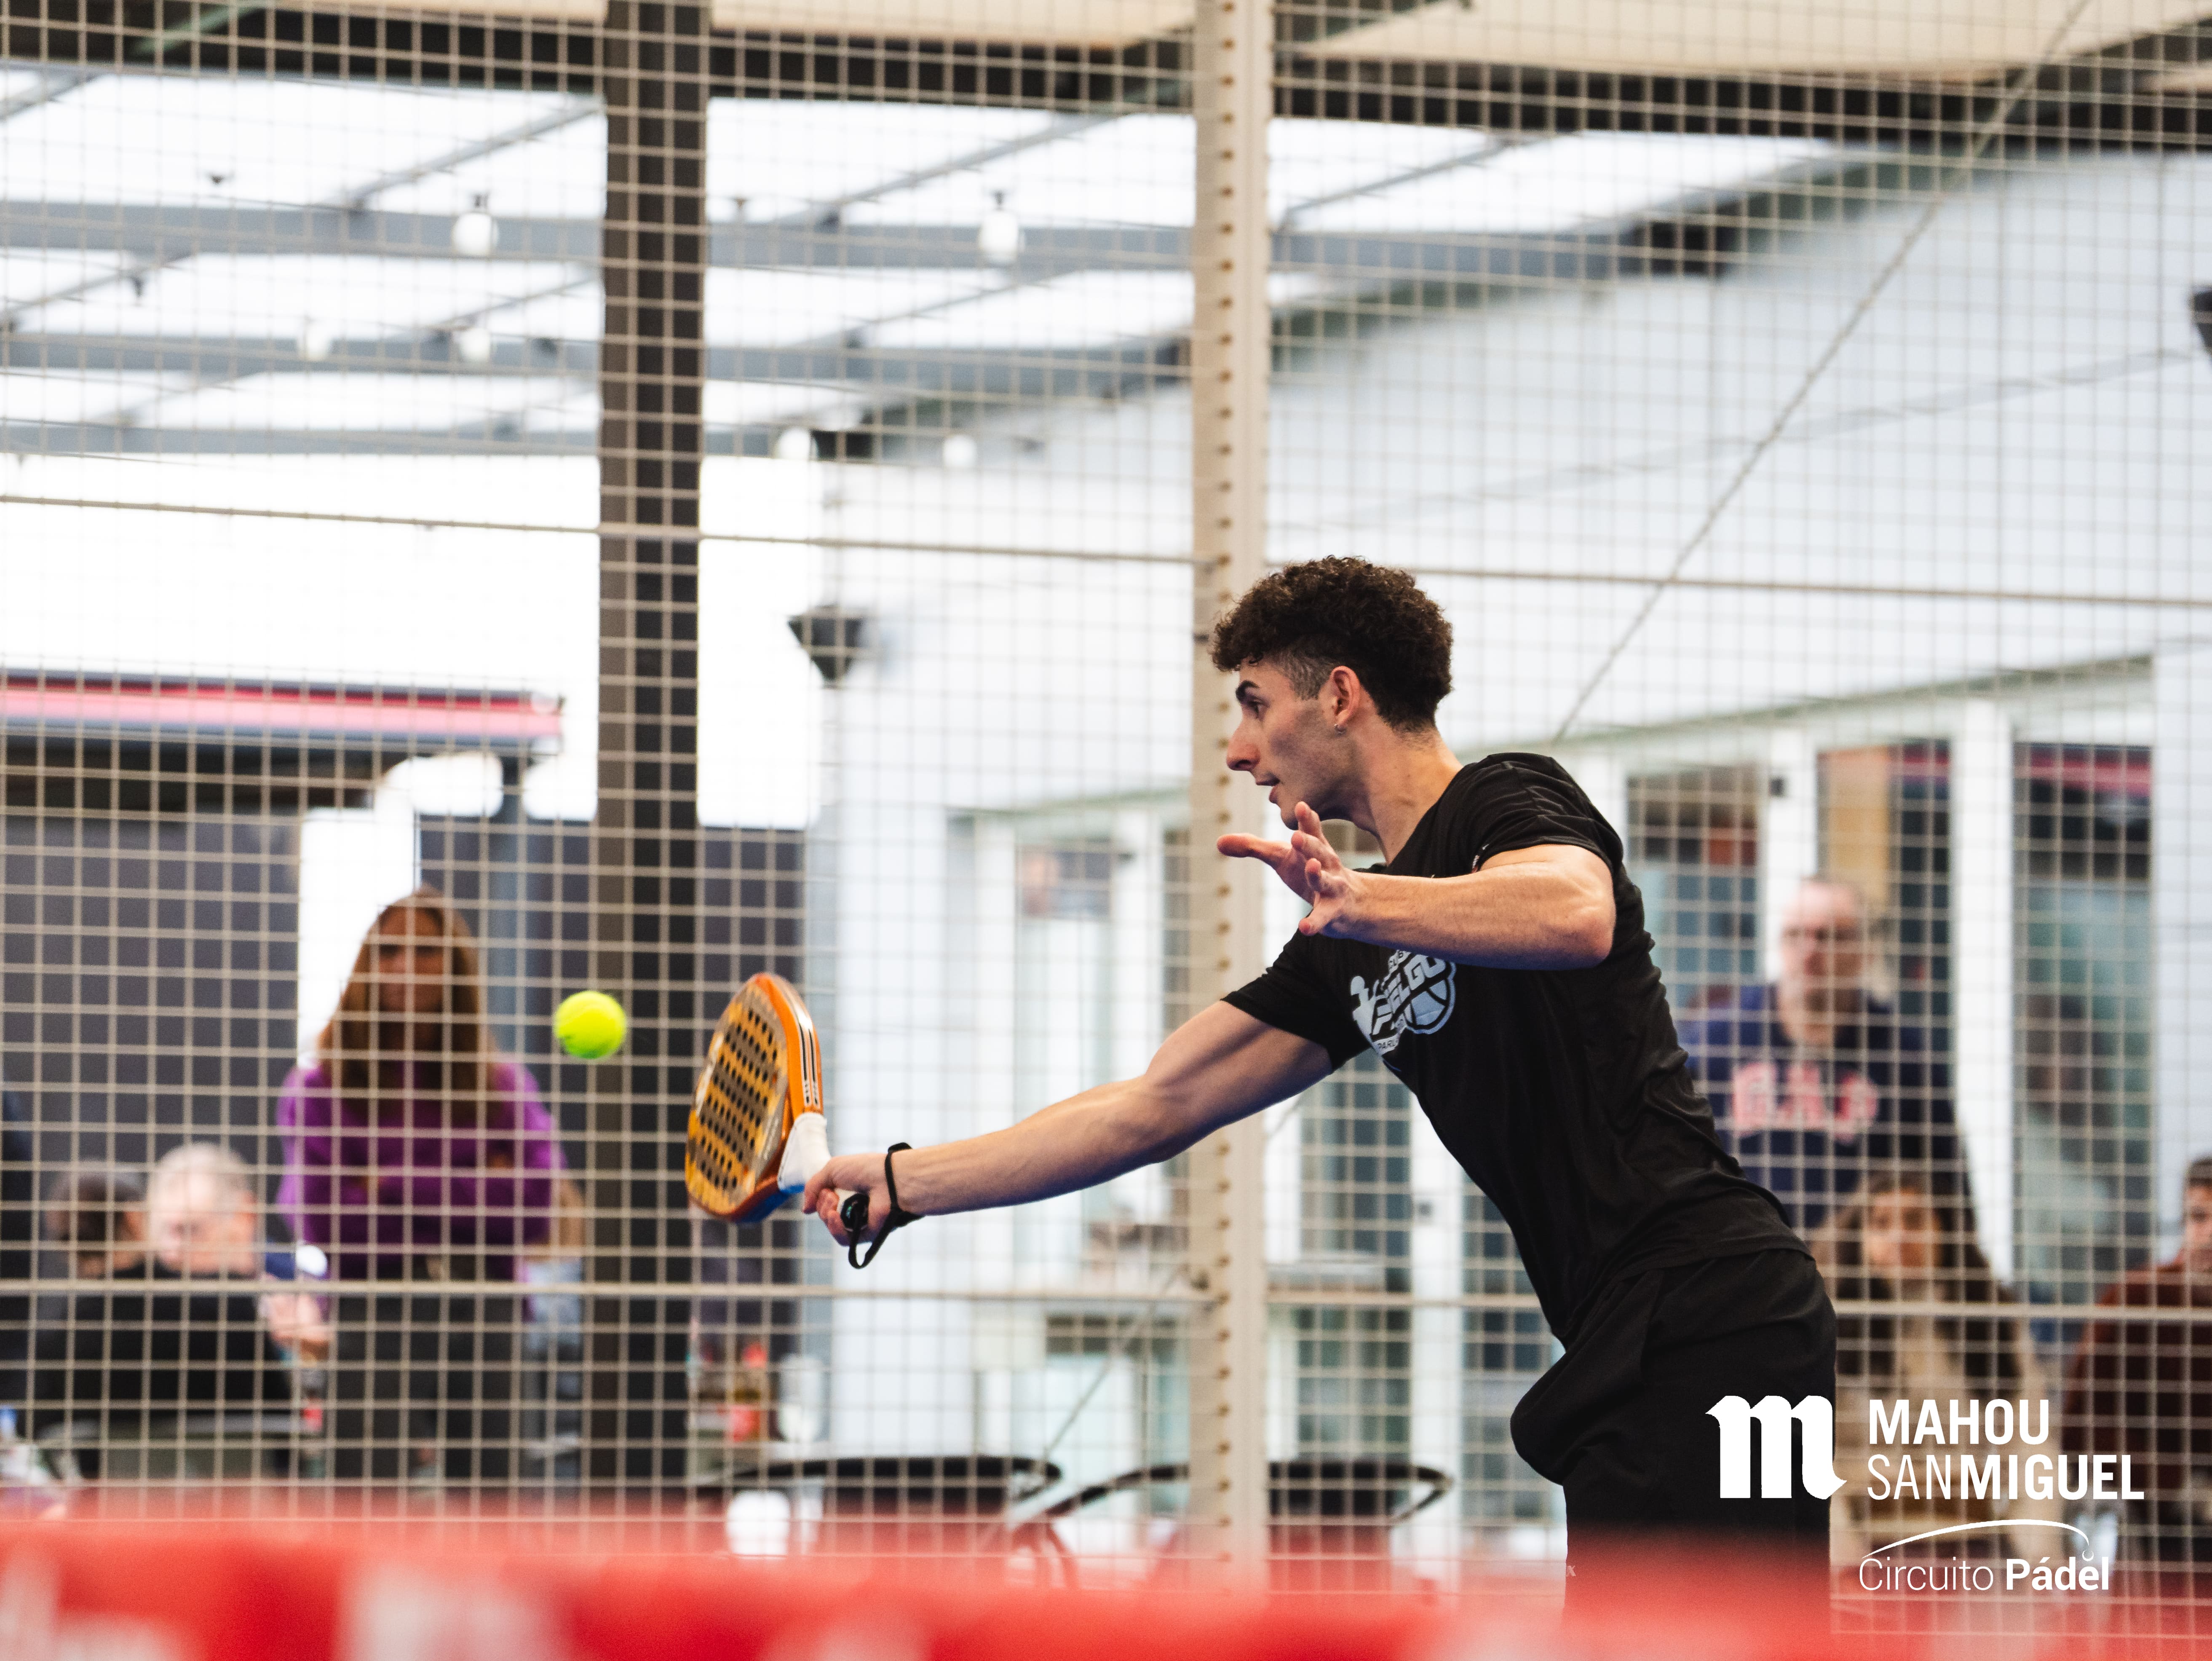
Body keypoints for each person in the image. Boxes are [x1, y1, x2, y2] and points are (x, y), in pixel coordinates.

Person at [803, 557, 1834, 1599]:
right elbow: (1150, 1106)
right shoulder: (1347, 942)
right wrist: (903, 1180)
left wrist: (1367, 905)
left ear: (1340, 695)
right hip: (1633, 1332)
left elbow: (1574, 912)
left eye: (1255, 703)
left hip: (1718, 1312)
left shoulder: (1505, 799)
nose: (1238, 745)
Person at [275, 887, 564, 1487]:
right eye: (391, 950)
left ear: (456, 967)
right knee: (365, 1502)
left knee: (495, 1506)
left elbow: (535, 1208)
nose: (407, 965)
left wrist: (391, 1183)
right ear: (368, 964)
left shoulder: (501, 1085)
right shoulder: (321, 1087)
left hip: (487, 1307)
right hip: (374, 1307)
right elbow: (327, 1223)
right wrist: (476, 1185)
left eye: (427, 950)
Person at [1678, 874, 1972, 1235]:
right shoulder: (1716, 1041)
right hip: (1738, 1252)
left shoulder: (1903, 1056)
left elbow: (1949, 1190)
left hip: (1854, 1263)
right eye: (1794, 935)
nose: (1809, 951)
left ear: (1865, 952)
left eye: (1828, 936)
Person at [1811, 1174, 2057, 1563]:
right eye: (1881, 1223)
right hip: (1863, 1543)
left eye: (1914, 1221)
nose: (1899, 1237)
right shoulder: (1828, 1326)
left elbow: (2030, 1445)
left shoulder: (1993, 1322)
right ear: (1858, 1239)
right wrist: (1841, 1553)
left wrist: (2039, 1553)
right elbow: (1812, 1453)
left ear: (1945, 1232)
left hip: (1974, 1541)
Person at [31, 1168, 295, 1482]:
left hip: (111, 1509)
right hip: (236, 1504)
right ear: (134, 1218)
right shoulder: (228, 1307)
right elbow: (282, 1419)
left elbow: (37, 1434)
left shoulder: (60, 1337)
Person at [2061, 1155, 2212, 1567]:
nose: (2209, 1234)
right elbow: (2083, 1424)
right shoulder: (2137, 1299)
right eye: (2199, 1217)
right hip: (2157, 1522)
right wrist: (2182, 1488)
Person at [147, 1144, 329, 1362]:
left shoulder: (307, 1288)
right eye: (163, 1231)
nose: (171, 1252)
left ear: (245, 1214)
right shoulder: (153, 1299)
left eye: (190, 1230)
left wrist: (319, 1352)